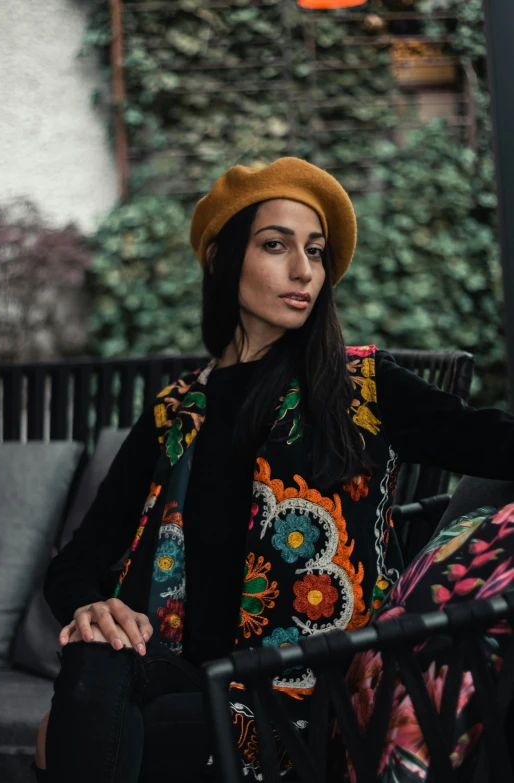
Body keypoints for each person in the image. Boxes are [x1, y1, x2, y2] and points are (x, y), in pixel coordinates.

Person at [32, 157, 514, 782]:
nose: (303, 270)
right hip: (176, 671)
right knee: (96, 656)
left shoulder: (361, 386)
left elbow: (489, 440)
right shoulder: (177, 411)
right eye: (275, 246)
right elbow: (77, 560)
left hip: (305, 696)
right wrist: (91, 607)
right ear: (221, 259)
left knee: (98, 731)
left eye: (314, 252)